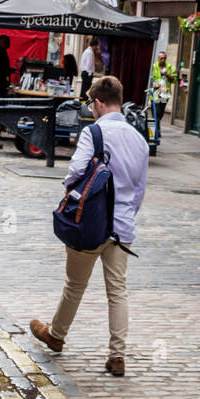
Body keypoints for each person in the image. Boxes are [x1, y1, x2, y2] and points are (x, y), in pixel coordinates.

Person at [30, 75, 148, 378]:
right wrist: (125, 216)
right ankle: (117, 356)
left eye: (90, 104)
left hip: (89, 223)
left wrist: (72, 194)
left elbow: (75, 172)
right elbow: (139, 189)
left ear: (97, 103)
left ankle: (56, 335)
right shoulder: (139, 138)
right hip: (122, 227)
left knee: (75, 284)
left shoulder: (93, 133)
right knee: (118, 291)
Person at [151, 50, 177, 119]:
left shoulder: (170, 68)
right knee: (155, 114)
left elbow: (174, 80)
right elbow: (152, 80)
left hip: (164, 95)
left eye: (164, 58)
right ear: (158, 58)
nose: (163, 60)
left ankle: (156, 128)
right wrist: (160, 87)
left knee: (160, 114)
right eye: (161, 58)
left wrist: (167, 75)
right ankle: (156, 129)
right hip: (155, 94)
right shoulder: (154, 67)